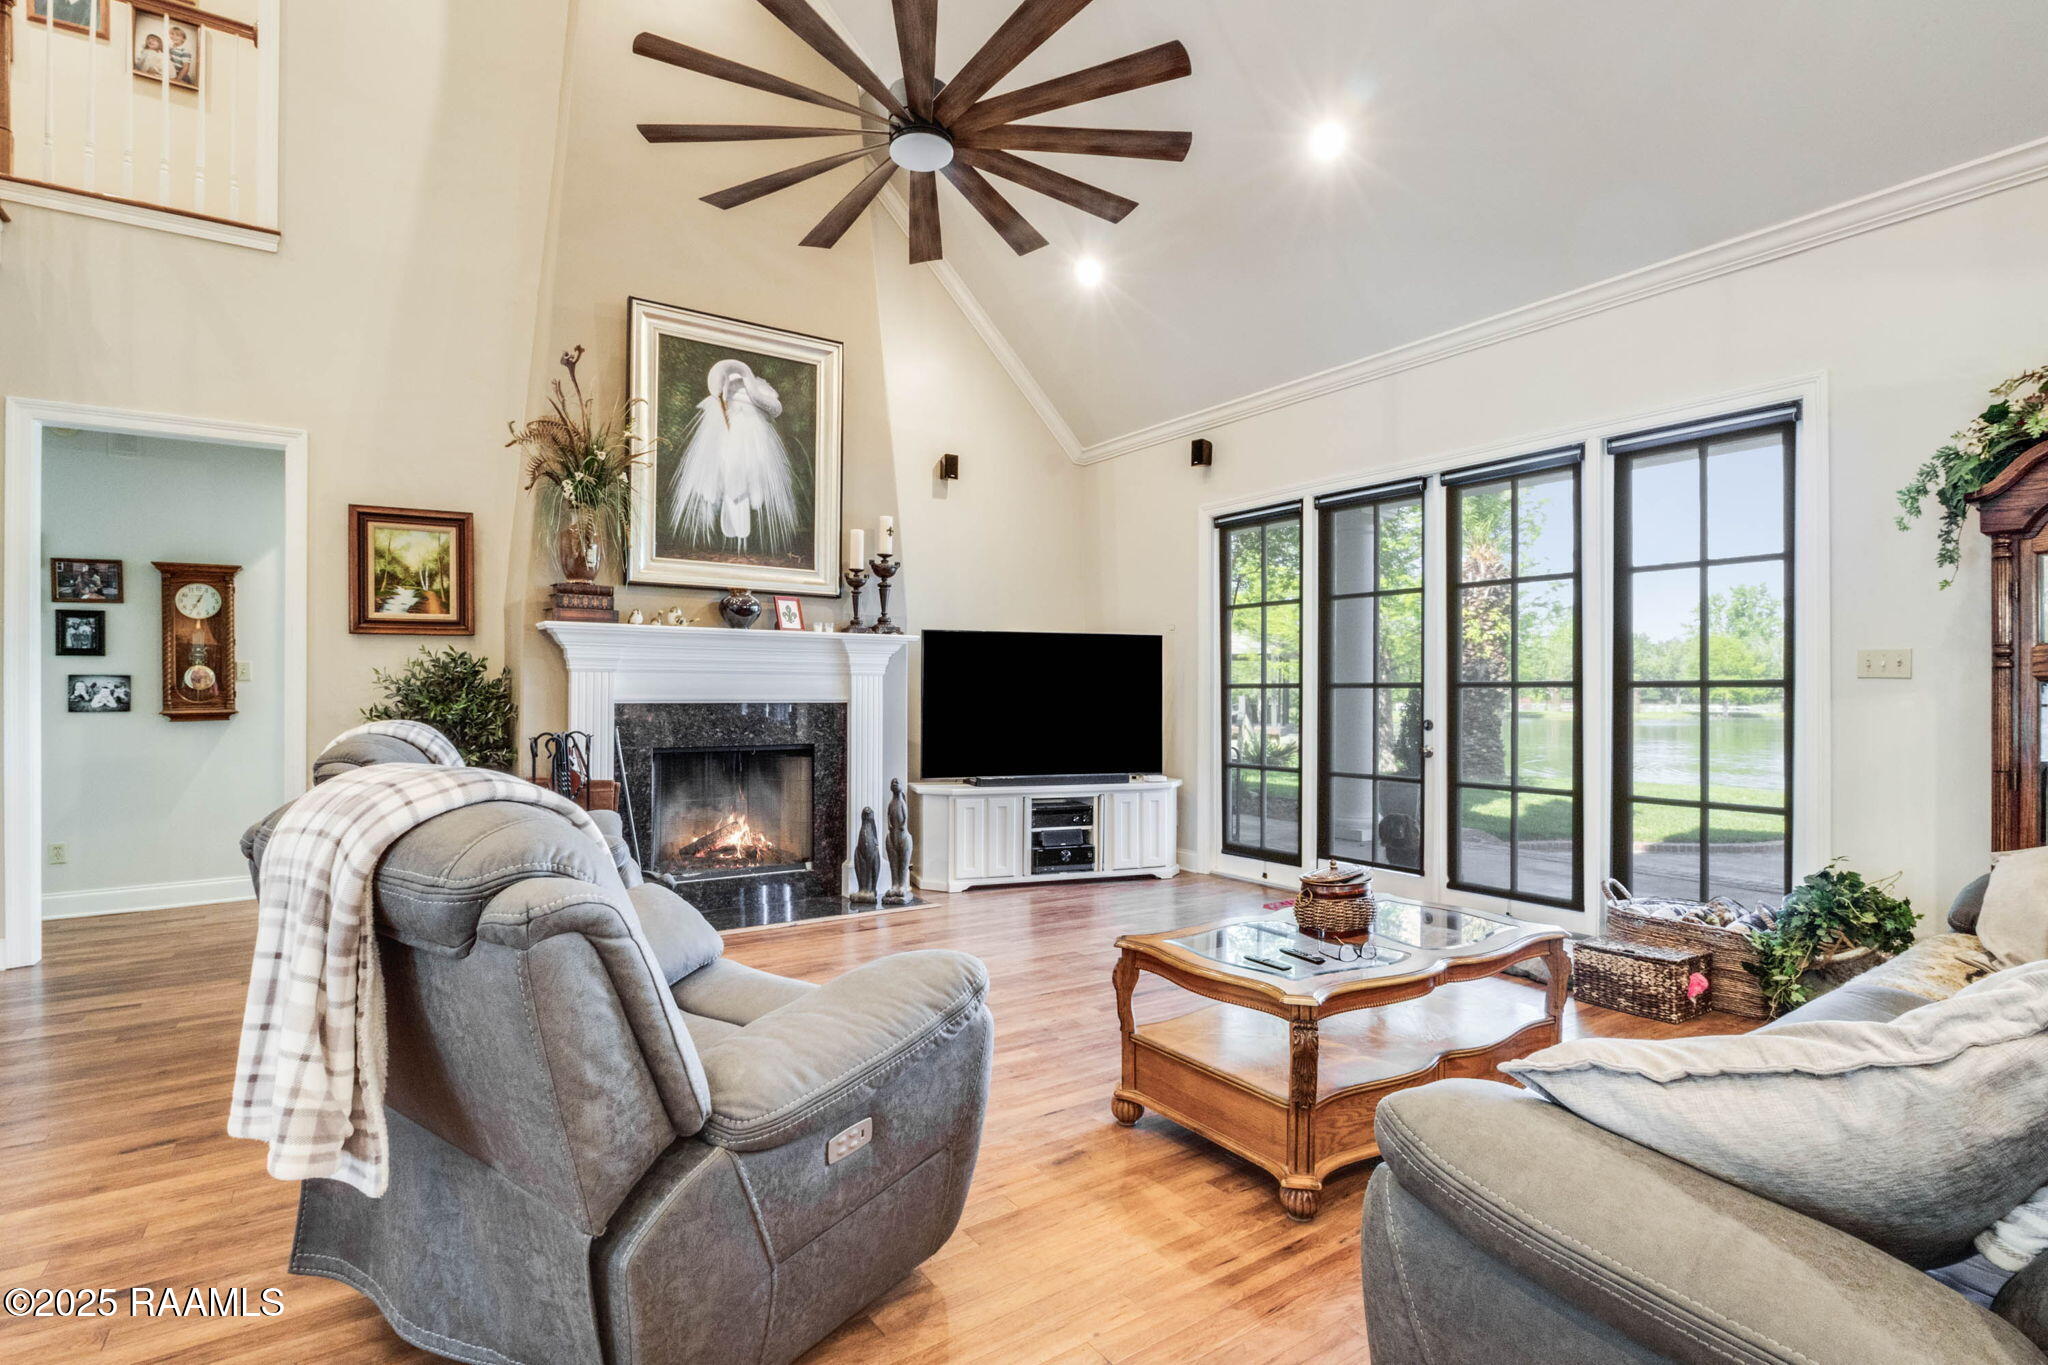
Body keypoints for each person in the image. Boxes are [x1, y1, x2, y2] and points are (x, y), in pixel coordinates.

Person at [665, 359, 800, 558]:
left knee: (744, 483)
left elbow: (774, 408)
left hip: (749, 448)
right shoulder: (740, 394)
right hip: (729, 457)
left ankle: (739, 544)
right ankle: (734, 543)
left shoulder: (751, 389)